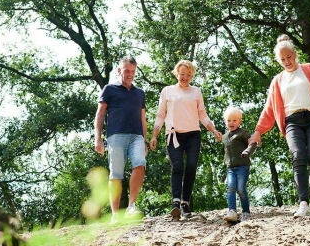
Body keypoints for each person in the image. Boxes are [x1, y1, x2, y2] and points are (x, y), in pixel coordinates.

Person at [249, 35, 310, 217]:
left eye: (289, 57)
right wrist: (258, 131)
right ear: (278, 60)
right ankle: (303, 203)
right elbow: (269, 109)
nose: (287, 61)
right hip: (292, 122)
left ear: (295, 54)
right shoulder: (277, 80)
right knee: (298, 156)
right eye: (282, 59)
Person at [150, 60, 222, 220]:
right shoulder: (167, 91)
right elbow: (161, 114)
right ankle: (175, 203)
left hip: (193, 135)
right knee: (177, 166)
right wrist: (154, 135)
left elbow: (202, 114)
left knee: (190, 167)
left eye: (189, 74)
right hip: (173, 135)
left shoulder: (196, 91)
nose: (185, 77)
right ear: (177, 73)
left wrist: (213, 130)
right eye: (183, 74)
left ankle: (185, 203)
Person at [94, 55, 148, 223]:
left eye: (133, 71)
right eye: (126, 71)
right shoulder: (109, 89)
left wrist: (145, 140)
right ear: (119, 70)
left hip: (136, 136)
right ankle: (116, 215)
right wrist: (98, 139)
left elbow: (143, 119)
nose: (130, 74)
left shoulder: (140, 93)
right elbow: (100, 114)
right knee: (116, 174)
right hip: (115, 135)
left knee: (140, 164)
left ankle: (132, 206)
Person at [220, 106, 257, 223]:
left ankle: (246, 211)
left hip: (242, 166)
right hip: (230, 168)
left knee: (241, 189)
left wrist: (247, 151)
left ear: (239, 122)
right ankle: (232, 211)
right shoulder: (225, 137)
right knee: (230, 188)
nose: (232, 123)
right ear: (225, 122)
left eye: (235, 120)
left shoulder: (243, 133)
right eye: (229, 120)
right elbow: (227, 152)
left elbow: (253, 143)